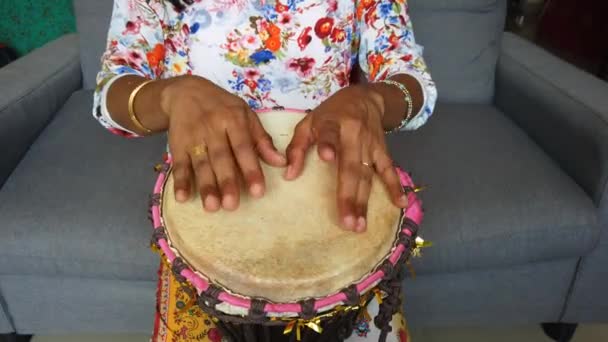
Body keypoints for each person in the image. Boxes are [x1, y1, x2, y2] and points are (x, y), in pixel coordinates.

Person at [94, 0, 436, 340]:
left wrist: (372, 101)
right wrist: (171, 95)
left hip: (338, 206)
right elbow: (111, 91)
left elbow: (413, 80)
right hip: (209, 195)